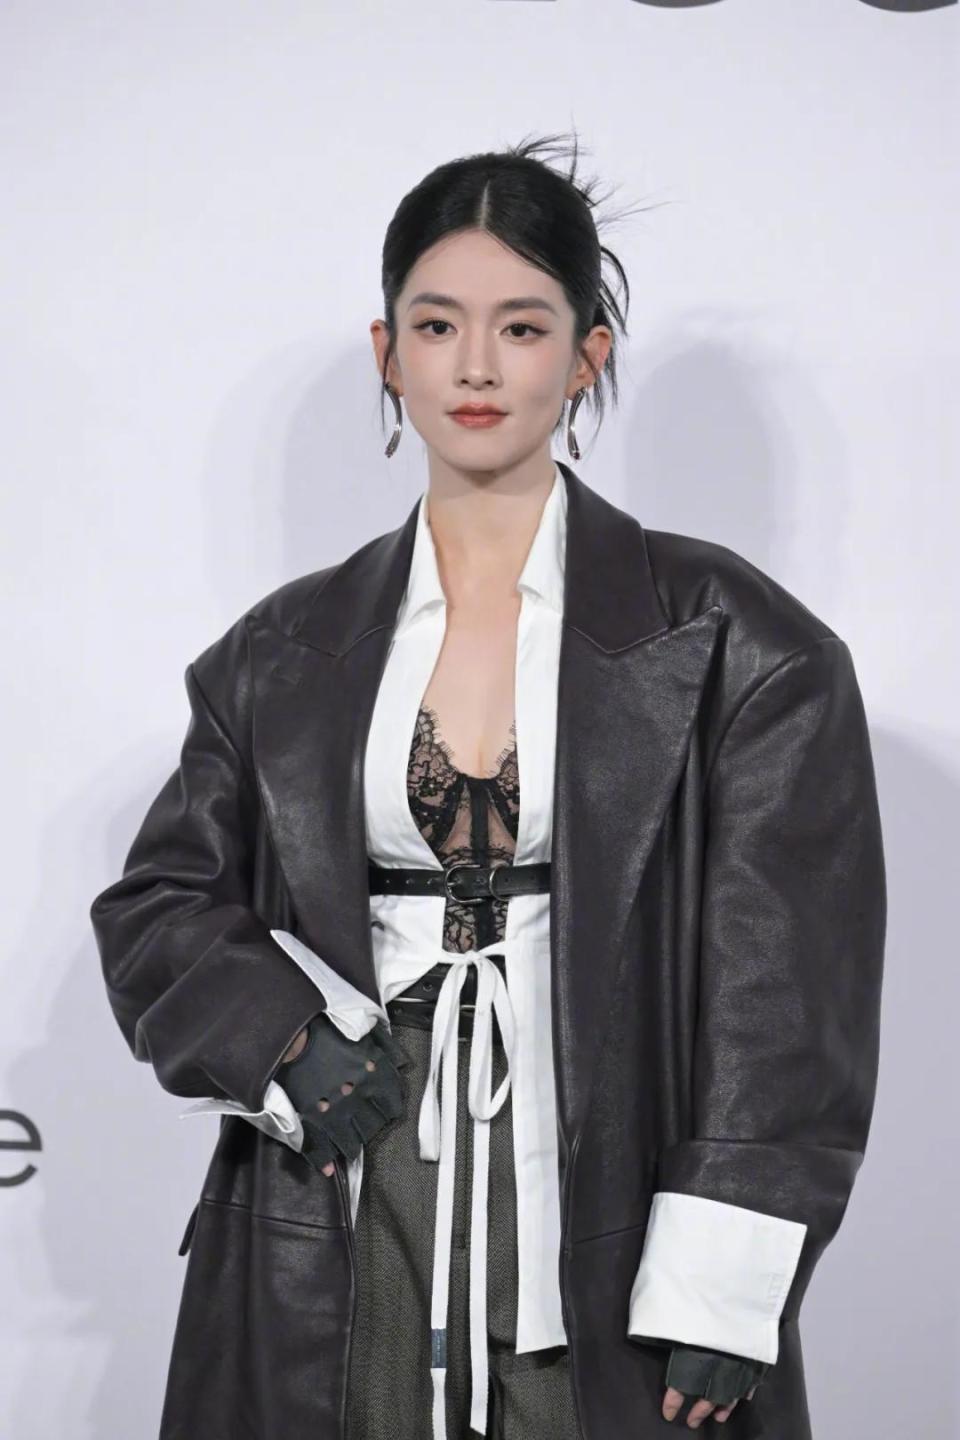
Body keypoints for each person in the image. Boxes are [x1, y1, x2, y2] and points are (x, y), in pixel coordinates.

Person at [90, 134, 886, 1440]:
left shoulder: (741, 643)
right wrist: (282, 1034)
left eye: (521, 327)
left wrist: (730, 1271)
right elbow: (158, 905)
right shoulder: (279, 653)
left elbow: (787, 995)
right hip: (347, 1161)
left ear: (586, 356)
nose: (474, 366)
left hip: (607, 1176)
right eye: (436, 324)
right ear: (386, 351)